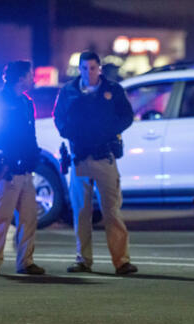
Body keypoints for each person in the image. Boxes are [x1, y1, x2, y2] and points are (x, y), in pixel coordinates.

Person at [53, 51, 137, 275]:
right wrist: (69, 132)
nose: (88, 73)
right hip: (79, 157)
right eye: (83, 68)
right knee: (81, 212)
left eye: (92, 68)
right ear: (78, 69)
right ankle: (83, 259)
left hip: (104, 155)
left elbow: (127, 116)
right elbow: (58, 118)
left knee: (112, 211)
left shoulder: (112, 90)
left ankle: (121, 261)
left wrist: (107, 132)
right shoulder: (69, 91)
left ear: (99, 68)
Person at [0, 60, 45, 276]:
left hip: (25, 169)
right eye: (30, 75)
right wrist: (9, 156)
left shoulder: (26, 103)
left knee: (29, 217)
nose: (33, 78)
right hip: (5, 168)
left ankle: (26, 262)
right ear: (20, 78)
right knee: (0, 217)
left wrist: (33, 156)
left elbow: (31, 134)